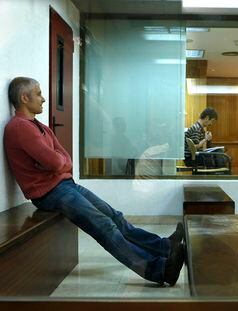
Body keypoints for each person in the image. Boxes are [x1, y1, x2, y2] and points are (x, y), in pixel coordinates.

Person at [3, 77, 185, 286]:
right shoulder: (19, 127)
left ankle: (165, 247)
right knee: (105, 226)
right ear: (24, 98)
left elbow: (65, 158)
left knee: (115, 217)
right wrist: (58, 163)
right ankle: (159, 270)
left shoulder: (40, 126)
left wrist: (58, 163)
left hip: (64, 185)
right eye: (38, 94)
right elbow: (55, 162)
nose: (43, 99)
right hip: (48, 193)